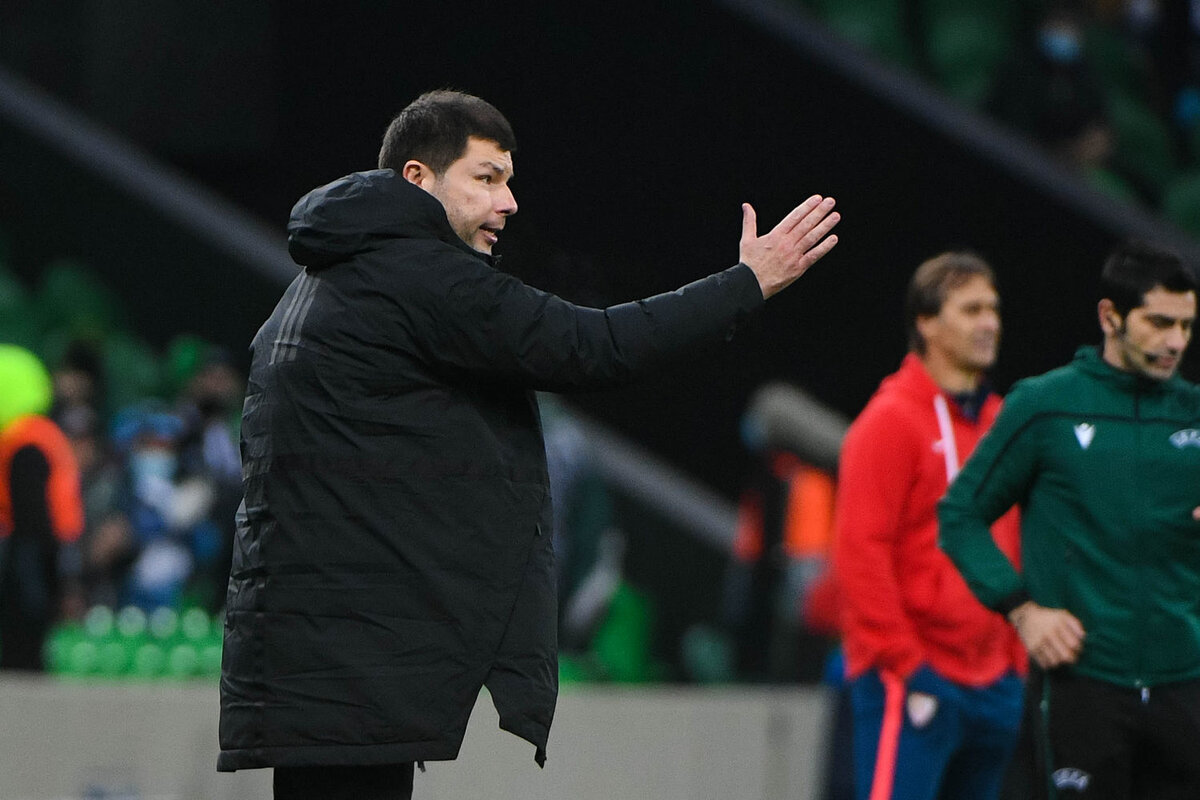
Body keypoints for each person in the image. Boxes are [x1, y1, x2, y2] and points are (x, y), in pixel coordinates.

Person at [216, 89, 841, 798]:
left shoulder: (318, 282)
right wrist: (746, 283)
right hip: (356, 651)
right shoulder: (422, 277)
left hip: (306, 644)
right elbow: (595, 346)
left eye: (508, 181)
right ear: (417, 179)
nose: (508, 202)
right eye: (486, 178)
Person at [939, 240, 1200, 799]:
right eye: (1159, 323)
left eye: (1185, 325)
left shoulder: (1194, 413)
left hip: (1186, 686)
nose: (1176, 342)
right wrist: (1023, 610)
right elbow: (960, 514)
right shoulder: (1046, 405)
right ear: (1110, 317)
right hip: (1083, 685)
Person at [834, 253, 1025, 800]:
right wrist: (908, 666)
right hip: (915, 676)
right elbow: (859, 554)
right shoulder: (890, 421)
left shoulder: (1004, 422)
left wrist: (1015, 661)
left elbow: (1019, 543)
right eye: (971, 310)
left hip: (994, 682)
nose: (989, 323)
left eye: (993, 309)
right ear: (926, 323)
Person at [0, 344, 85, 670]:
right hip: (56, 542)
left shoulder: (22, 441)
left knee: (26, 621)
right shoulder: (42, 432)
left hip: (33, 547)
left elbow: (30, 511)